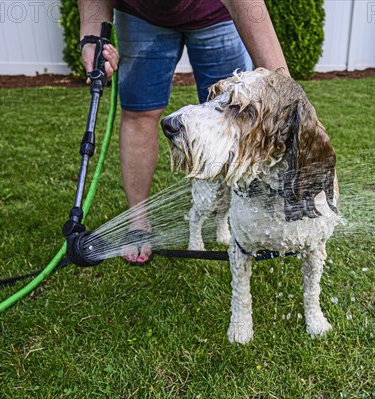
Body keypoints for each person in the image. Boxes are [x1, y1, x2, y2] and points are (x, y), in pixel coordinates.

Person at [78, 0, 289, 264]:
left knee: (235, 111)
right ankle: (138, 221)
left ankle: (248, 216)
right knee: (139, 112)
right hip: (141, 16)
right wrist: (90, 38)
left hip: (215, 14)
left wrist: (284, 92)